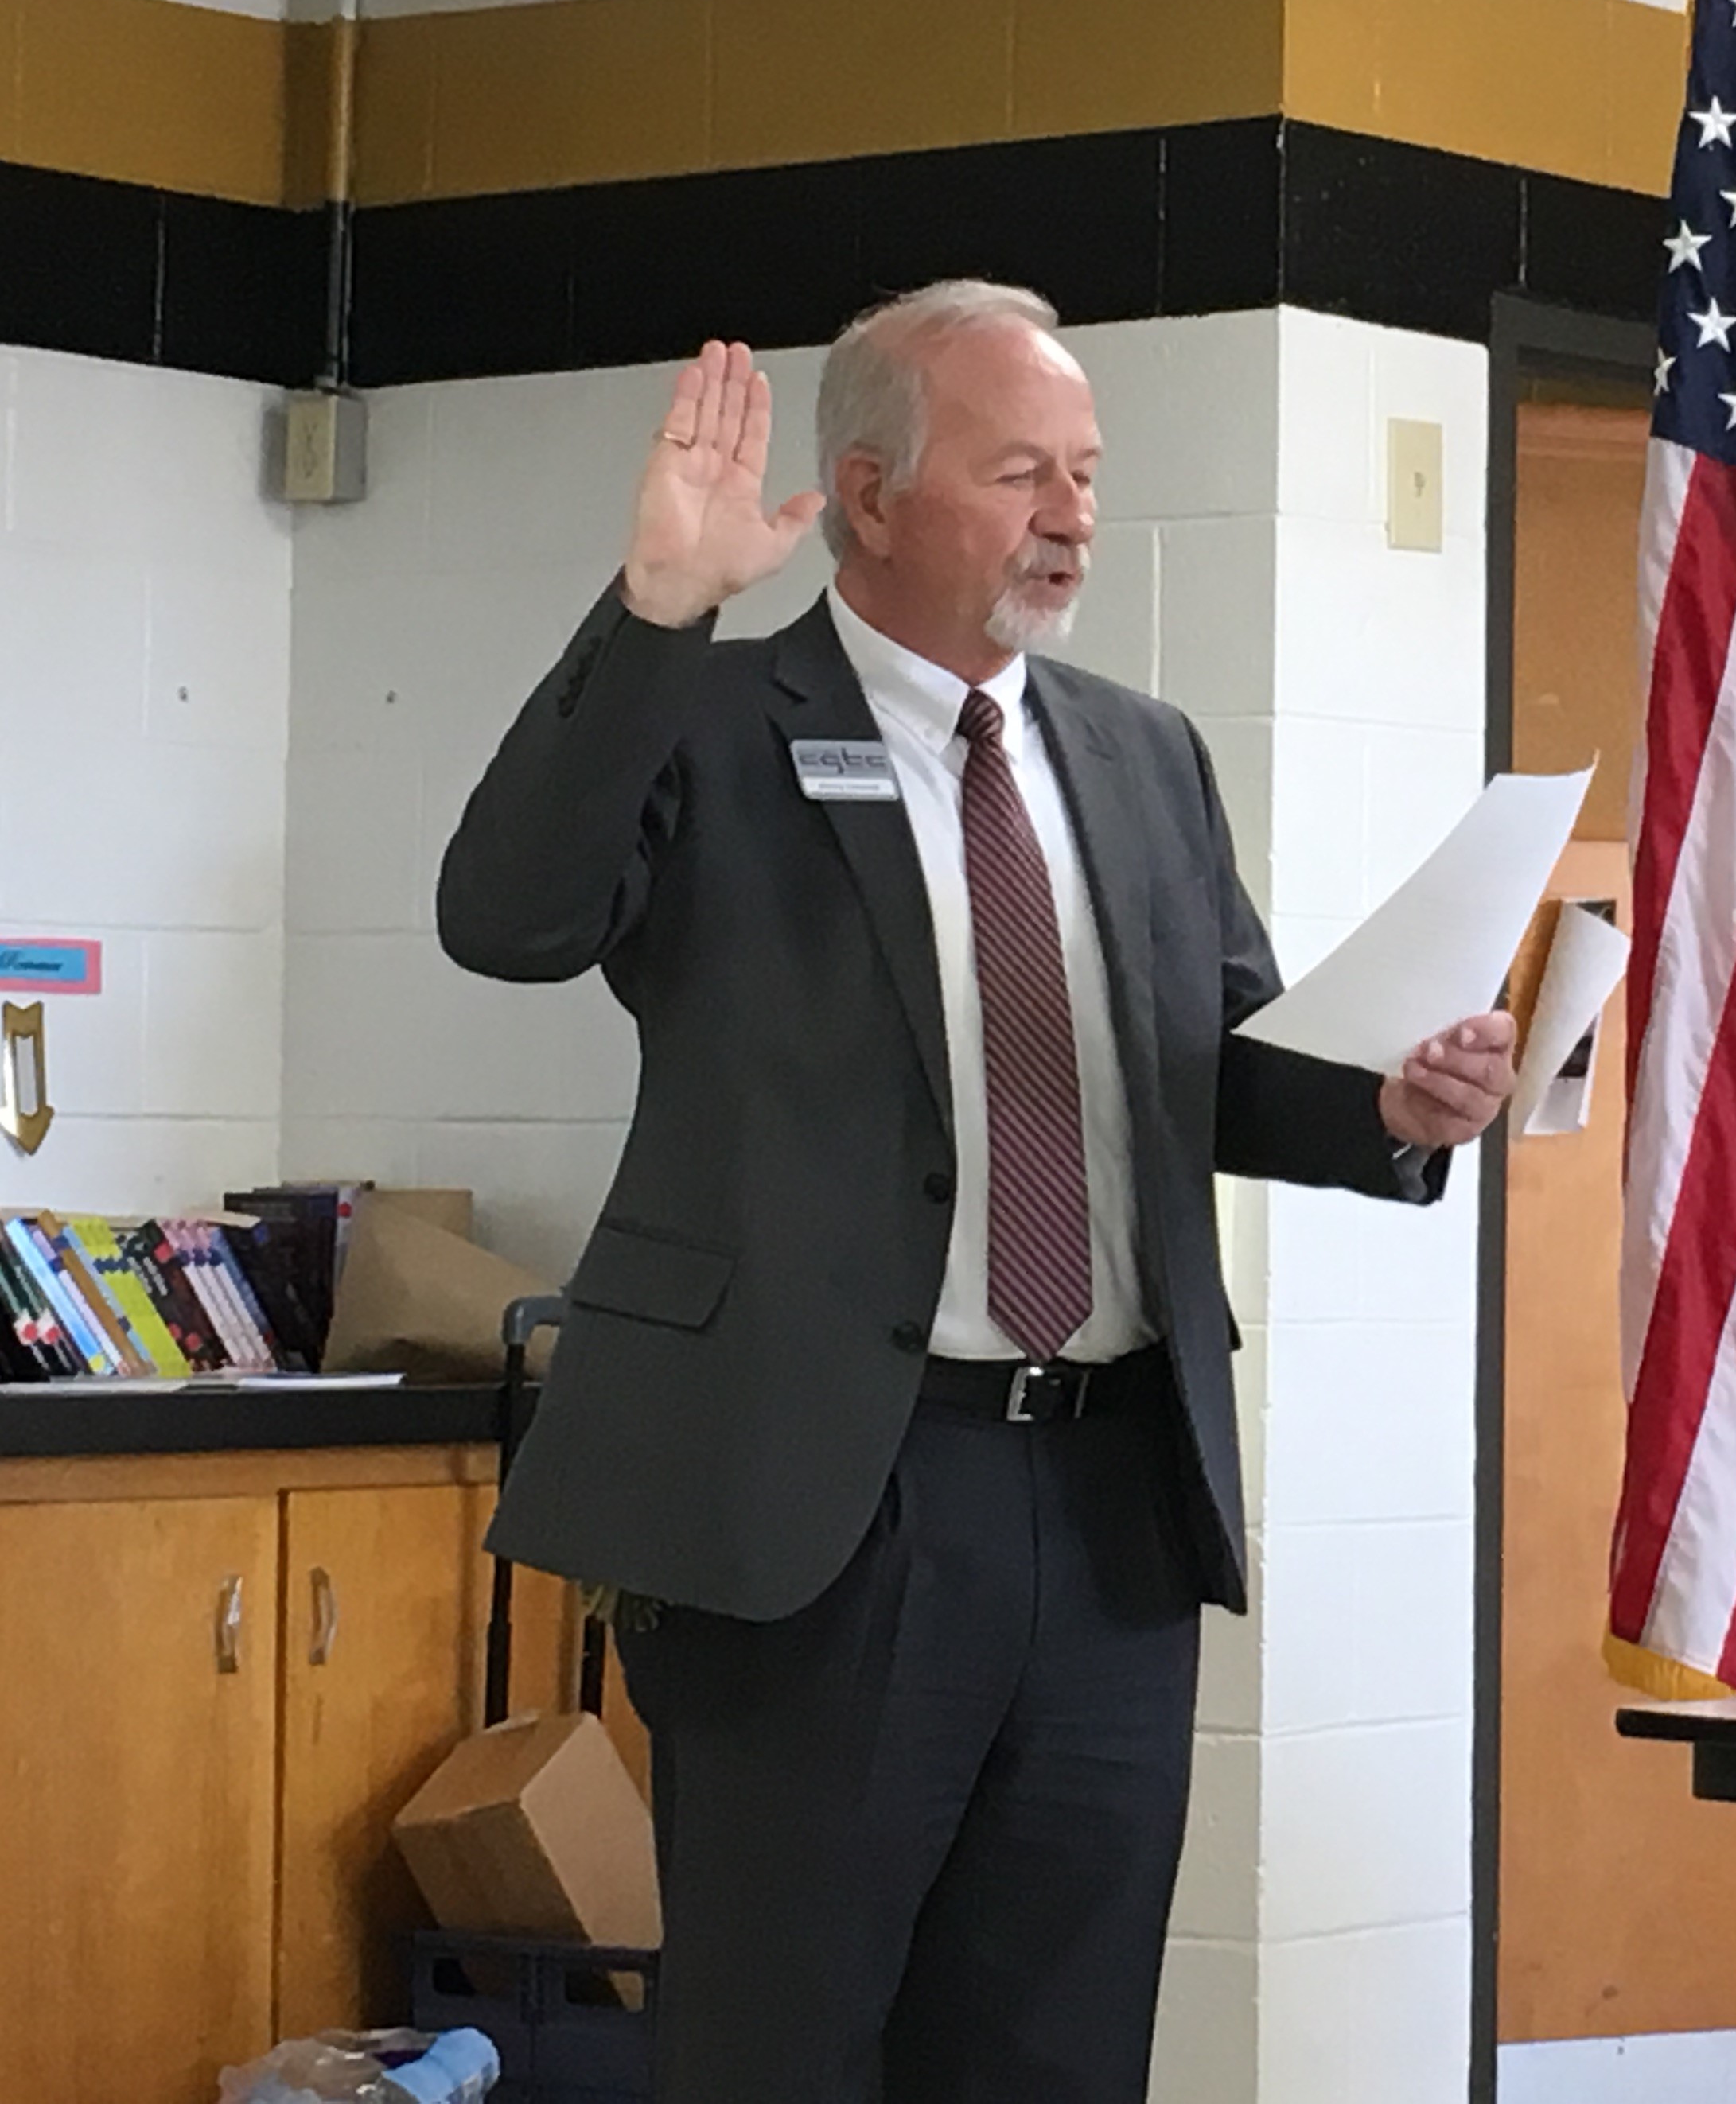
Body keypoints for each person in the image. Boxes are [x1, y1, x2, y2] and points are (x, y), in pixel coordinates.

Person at [436, 281, 1515, 2104]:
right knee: (785, 2047)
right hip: (824, 1511)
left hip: (1107, 1505)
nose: (1075, 515)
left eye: (1086, 473)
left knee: (1056, 2049)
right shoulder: (708, 719)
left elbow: (1214, 1058)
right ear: (868, 496)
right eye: (1024, 474)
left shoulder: (1140, 753)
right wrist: (657, 613)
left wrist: (1395, 1106)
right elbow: (509, 918)